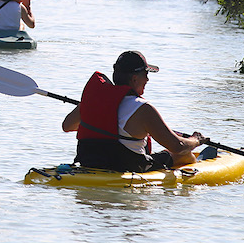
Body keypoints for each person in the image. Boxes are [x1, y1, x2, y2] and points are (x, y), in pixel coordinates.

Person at [61, 51, 206, 172]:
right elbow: (177, 146)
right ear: (135, 78)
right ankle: (196, 168)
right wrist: (196, 140)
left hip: (90, 164)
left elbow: (67, 126)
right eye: (146, 74)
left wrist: (94, 114)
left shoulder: (93, 101)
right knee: (184, 154)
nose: (148, 79)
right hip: (127, 167)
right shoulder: (143, 108)